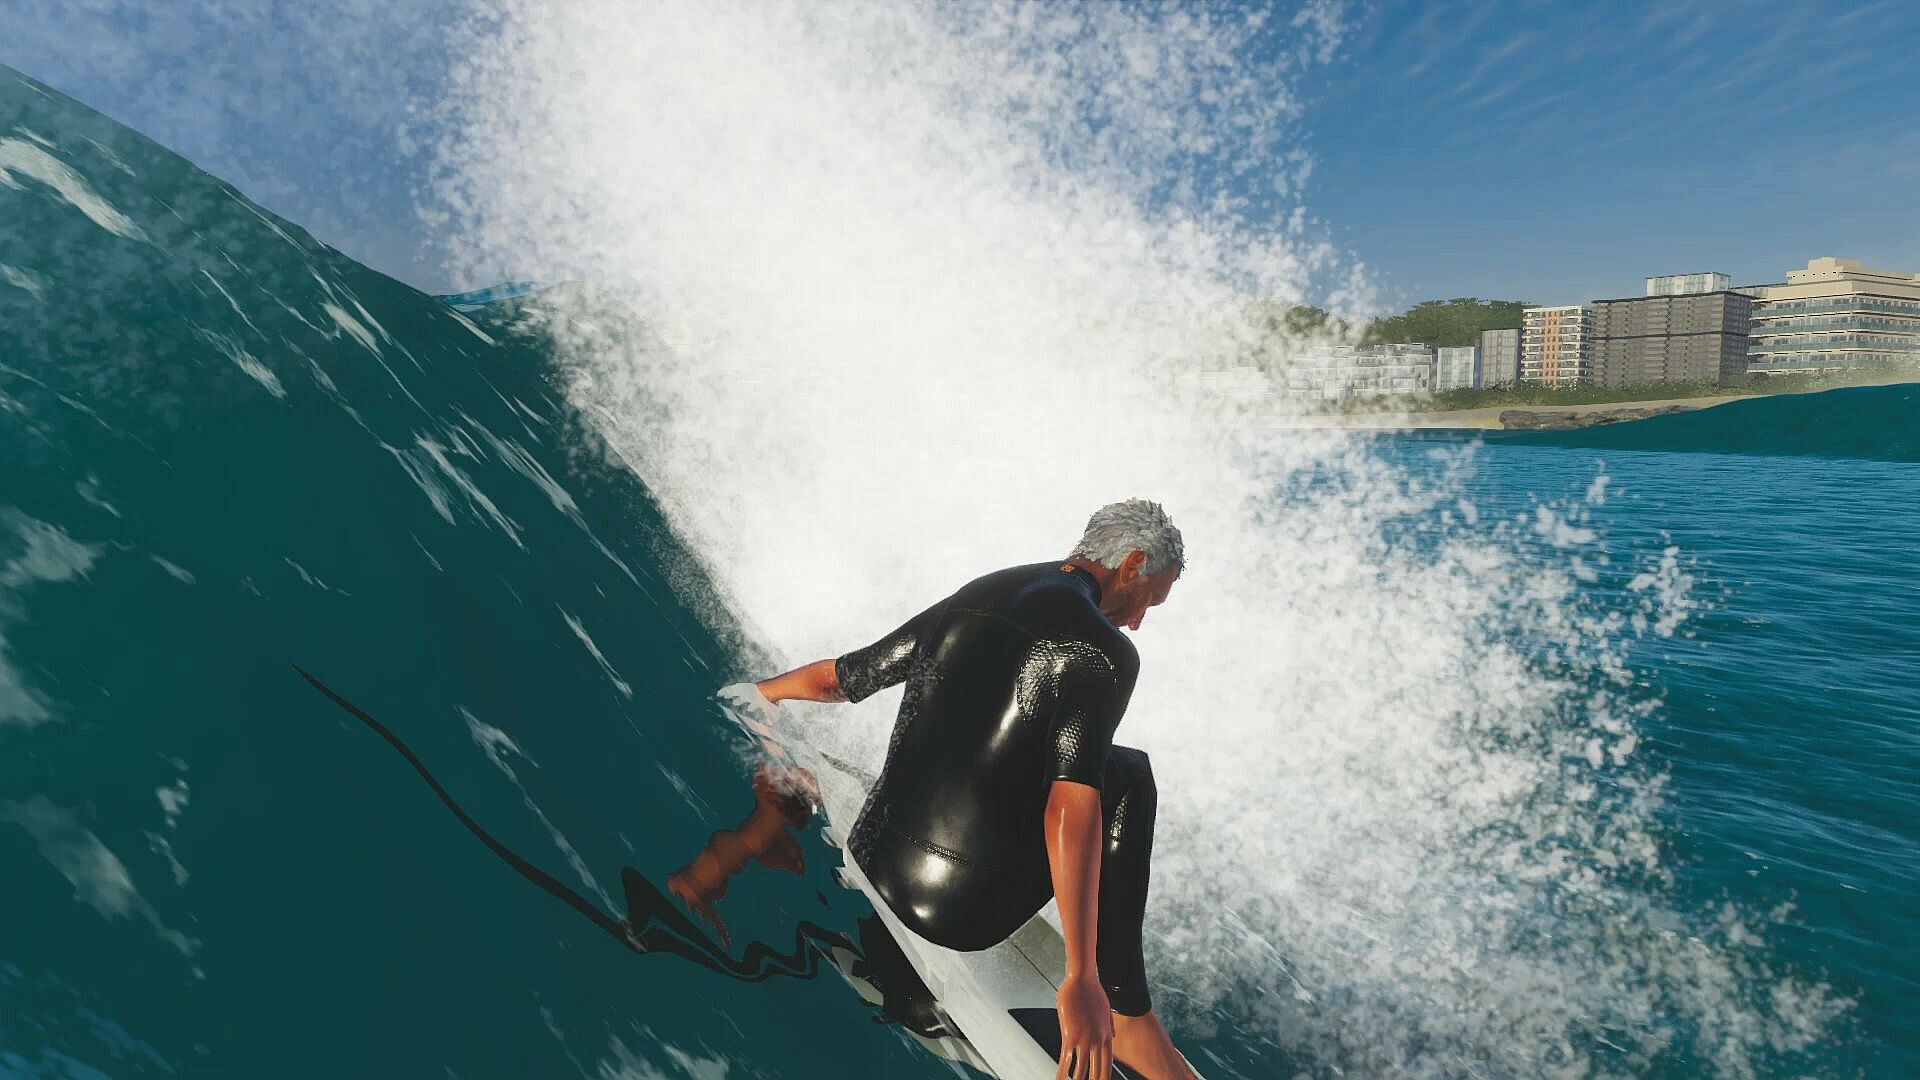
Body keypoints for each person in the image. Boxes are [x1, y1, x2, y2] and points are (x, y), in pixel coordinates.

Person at [740, 499, 1194, 1080]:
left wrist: (762, 696)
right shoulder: (1103, 652)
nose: (1138, 622)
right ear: (1131, 564)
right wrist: (1082, 978)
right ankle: (1128, 1016)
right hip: (953, 911)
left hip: (873, 853)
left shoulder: (987, 589)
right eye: (1151, 599)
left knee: (991, 726)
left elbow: (851, 676)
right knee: (1128, 776)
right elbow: (1071, 802)